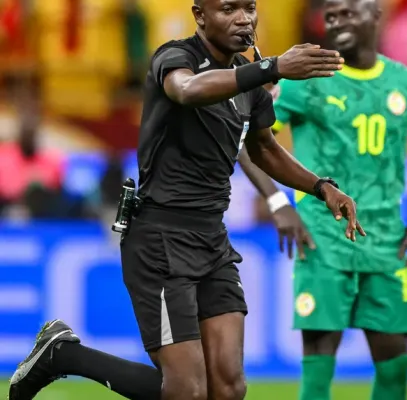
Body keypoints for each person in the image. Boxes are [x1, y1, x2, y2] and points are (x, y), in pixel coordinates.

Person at [8, 0, 366, 399]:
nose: (243, 18)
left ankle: (62, 353)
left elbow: (264, 149)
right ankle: (62, 355)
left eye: (249, 8)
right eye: (228, 8)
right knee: (187, 392)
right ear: (200, 16)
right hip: (160, 237)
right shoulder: (177, 58)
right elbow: (187, 90)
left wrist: (321, 187)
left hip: (212, 238)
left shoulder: (247, 83)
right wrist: (273, 67)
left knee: (229, 387)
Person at [258, 0, 407, 398]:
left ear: (376, 15)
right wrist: (278, 203)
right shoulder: (306, 80)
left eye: (348, 13)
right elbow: (253, 142)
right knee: (318, 367)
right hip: (322, 240)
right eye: (331, 16)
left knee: (395, 367)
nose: (337, 22)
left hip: (386, 242)